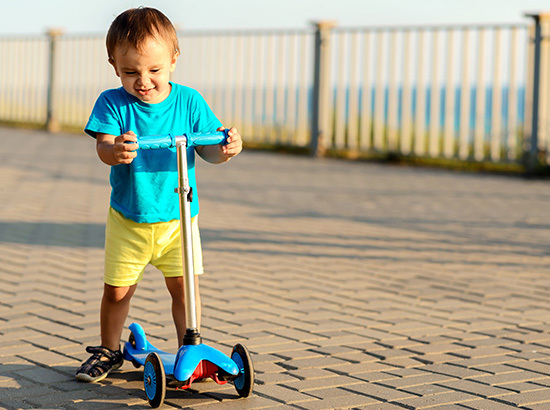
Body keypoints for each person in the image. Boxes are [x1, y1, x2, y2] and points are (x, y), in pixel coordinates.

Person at [75, 7, 242, 383]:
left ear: (173, 59)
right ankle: (108, 349)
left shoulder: (189, 102)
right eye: (131, 72)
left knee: (184, 288)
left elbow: (210, 150)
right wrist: (115, 149)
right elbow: (103, 147)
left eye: (154, 70)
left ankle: (190, 345)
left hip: (179, 219)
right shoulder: (112, 103)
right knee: (118, 292)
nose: (143, 81)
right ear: (114, 65)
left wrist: (226, 148)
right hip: (129, 218)